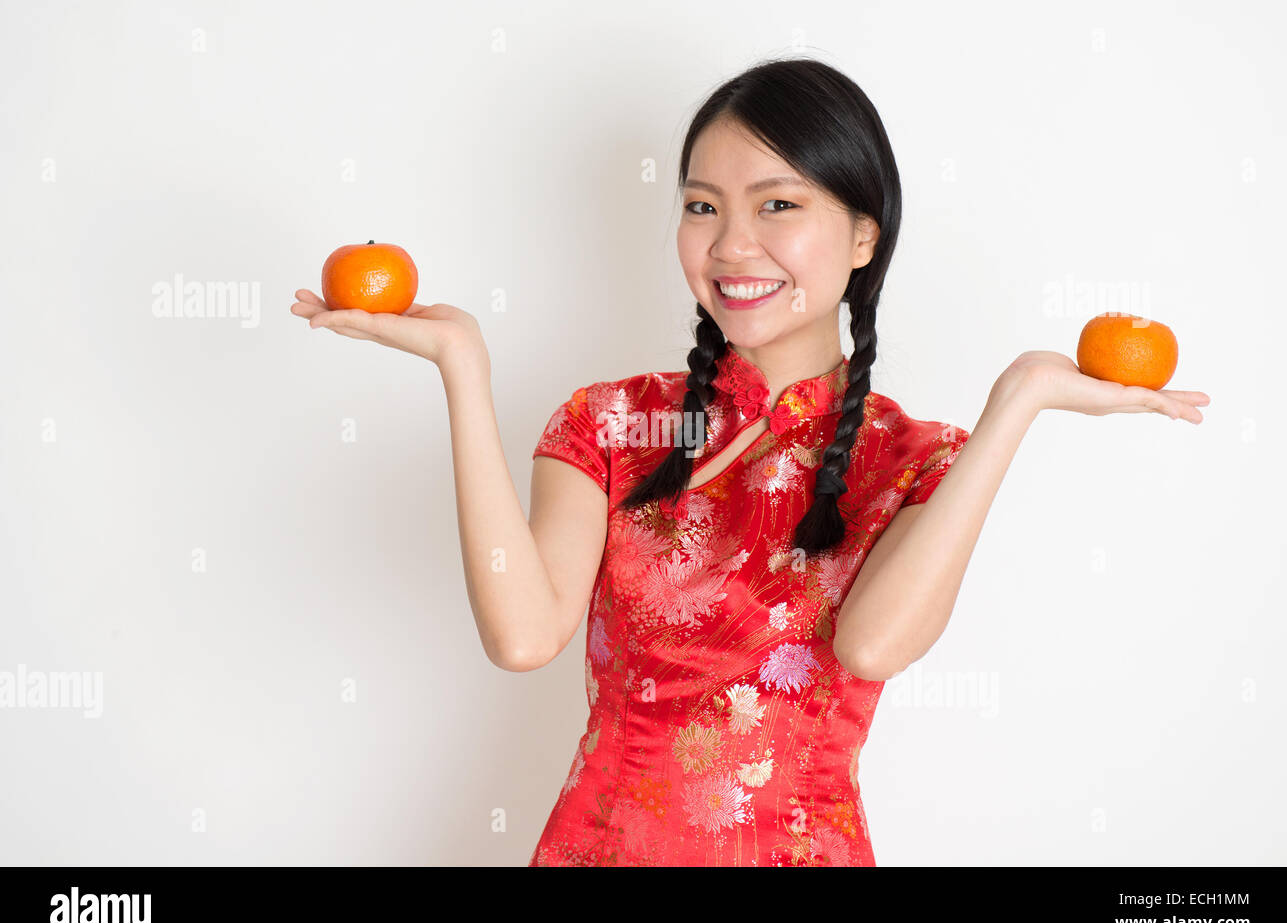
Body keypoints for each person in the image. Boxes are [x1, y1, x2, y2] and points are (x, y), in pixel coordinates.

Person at [291, 56, 1210, 866]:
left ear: (864, 235)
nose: (731, 243)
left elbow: (873, 643)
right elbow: (523, 635)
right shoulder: (608, 424)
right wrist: (463, 368)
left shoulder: (914, 461)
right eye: (703, 207)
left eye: (777, 203)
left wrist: (1017, 402)